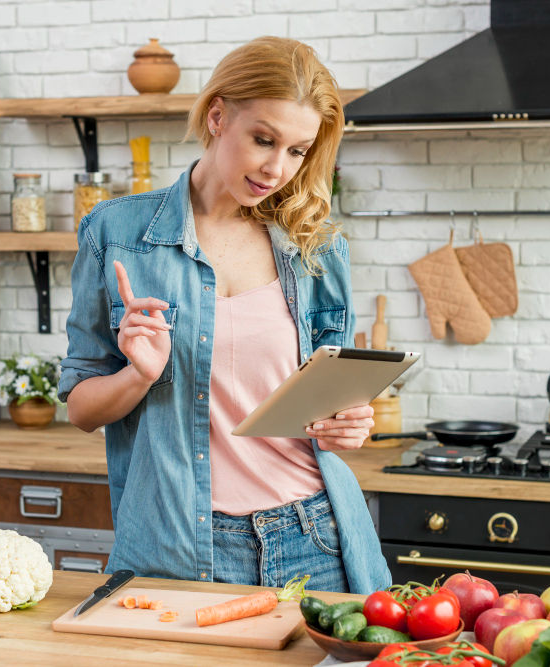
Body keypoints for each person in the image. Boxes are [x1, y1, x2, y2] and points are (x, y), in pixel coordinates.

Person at [58, 36, 390, 594]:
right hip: (180, 546)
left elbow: (330, 404)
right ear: (217, 116)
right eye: (264, 139)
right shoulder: (117, 234)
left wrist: (347, 424)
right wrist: (139, 373)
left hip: (317, 536)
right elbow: (82, 411)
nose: (277, 168)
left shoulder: (316, 247)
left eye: (297, 151)